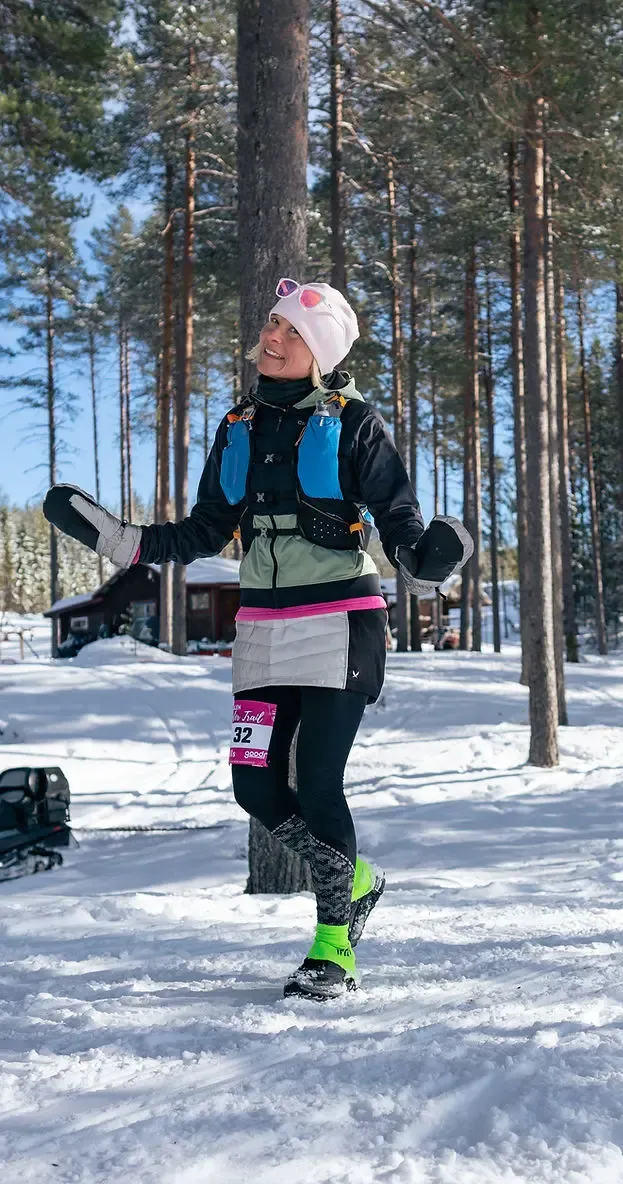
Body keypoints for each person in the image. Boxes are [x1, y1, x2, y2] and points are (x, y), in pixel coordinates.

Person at [44, 278, 472, 1001]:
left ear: (321, 353)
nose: (270, 336)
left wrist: (426, 560)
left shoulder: (355, 423)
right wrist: (120, 539)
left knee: (322, 783)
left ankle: (334, 946)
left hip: (340, 622)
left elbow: (400, 522)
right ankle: (356, 879)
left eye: (289, 331)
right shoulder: (237, 424)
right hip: (261, 632)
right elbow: (204, 530)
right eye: (272, 323)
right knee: (254, 785)